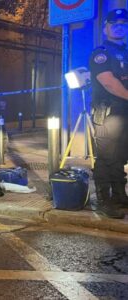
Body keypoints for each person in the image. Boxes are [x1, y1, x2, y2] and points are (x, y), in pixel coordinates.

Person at [88, 8, 128, 218]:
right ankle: (104, 200)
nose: (120, 26)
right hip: (108, 113)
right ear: (106, 28)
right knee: (106, 158)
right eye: (115, 23)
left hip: (124, 113)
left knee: (121, 156)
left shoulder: (126, 51)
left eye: (124, 23)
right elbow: (109, 83)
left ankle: (120, 197)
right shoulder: (101, 53)